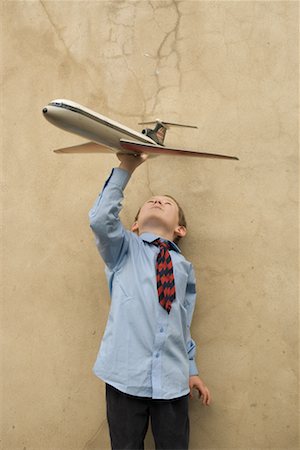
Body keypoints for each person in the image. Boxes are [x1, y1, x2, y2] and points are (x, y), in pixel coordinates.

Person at [89, 153, 211, 450]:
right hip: (125, 374)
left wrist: (191, 371)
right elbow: (101, 219)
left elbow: (183, 321)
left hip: (172, 379)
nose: (158, 202)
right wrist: (127, 166)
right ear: (133, 225)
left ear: (180, 229)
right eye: (150, 201)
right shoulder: (123, 251)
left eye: (167, 203)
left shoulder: (183, 268)